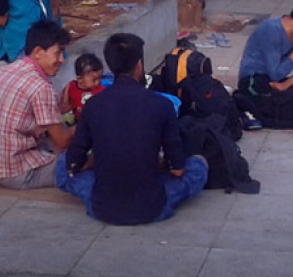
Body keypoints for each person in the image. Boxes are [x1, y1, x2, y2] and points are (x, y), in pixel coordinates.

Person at [56, 33, 208, 223]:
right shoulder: (162, 105)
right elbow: (177, 170)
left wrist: (98, 161)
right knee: (198, 165)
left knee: (62, 164)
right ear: (138, 66)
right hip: (152, 207)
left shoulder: (93, 105)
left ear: (110, 66)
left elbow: (73, 163)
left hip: (103, 207)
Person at [0, 21, 75, 189]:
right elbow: (62, 141)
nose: (62, 60)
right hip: (16, 172)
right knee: (85, 161)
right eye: (58, 53)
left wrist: (60, 109)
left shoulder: (2, 72)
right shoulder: (41, 87)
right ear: (38, 52)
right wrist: (88, 118)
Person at [59, 53, 105, 123]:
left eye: (100, 78)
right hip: (78, 121)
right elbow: (63, 107)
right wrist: (66, 91)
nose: (98, 82)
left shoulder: (100, 90)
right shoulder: (71, 87)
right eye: (94, 80)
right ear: (80, 79)